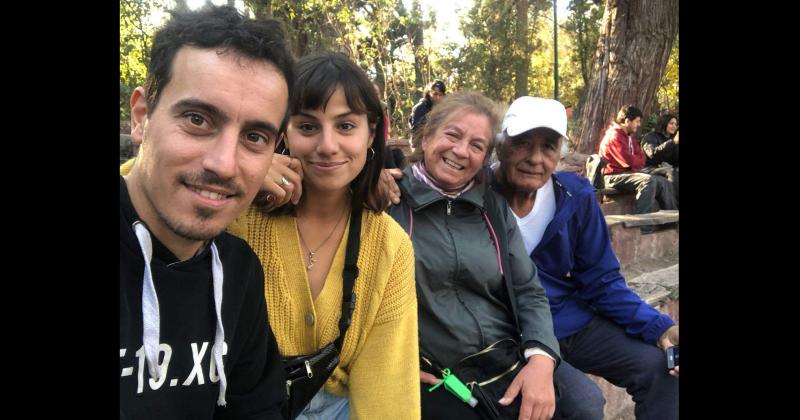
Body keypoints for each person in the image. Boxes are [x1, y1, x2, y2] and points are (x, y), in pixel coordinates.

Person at [119, 6, 293, 419]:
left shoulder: (238, 270)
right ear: (142, 116)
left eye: (254, 136)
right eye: (198, 119)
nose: (224, 164)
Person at [227, 52, 420, 419]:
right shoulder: (239, 212)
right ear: (284, 132)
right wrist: (240, 170)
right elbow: (146, 196)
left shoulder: (389, 247)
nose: (327, 145)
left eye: (346, 126)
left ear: (372, 133)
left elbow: (387, 388)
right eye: (308, 126)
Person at [490, 97, 679, 420]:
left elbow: (601, 280)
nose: (535, 158)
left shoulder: (574, 196)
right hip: (505, 332)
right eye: (522, 143)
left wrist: (659, 327)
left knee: (659, 371)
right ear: (501, 144)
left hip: (568, 322)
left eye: (548, 146)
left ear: (560, 153)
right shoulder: (474, 193)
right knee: (583, 404)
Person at [387, 91, 560, 420]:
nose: (461, 151)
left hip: (503, 355)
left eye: (477, 145)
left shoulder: (491, 208)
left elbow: (527, 289)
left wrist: (541, 357)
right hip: (436, 368)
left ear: (484, 159)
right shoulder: (389, 199)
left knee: (582, 403)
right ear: (425, 138)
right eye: (452, 135)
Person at [597, 105, 677, 233]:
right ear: (627, 120)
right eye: (637, 121)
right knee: (648, 180)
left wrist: (636, 160)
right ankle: (646, 226)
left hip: (627, 173)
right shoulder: (615, 136)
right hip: (612, 176)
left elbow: (641, 158)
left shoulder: (629, 136)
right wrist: (636, 161)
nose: (639, 125)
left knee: (663, 181)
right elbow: (628, 160)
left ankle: (672, 223)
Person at [641, 113, 679, 205]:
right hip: (649, 168)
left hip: (665, 168)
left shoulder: (672, 140)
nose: (674, 126)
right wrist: (673, 142)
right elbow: (652, 154)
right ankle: (675, 209)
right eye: (671, 123)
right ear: (664, 123)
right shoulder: (650, 136)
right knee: (671, 172)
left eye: (675, 124)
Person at [409, 79, 446, 147]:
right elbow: (416, 131)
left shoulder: (443, 109)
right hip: (420, 145)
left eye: (440, 95)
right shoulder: (419, 108)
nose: (438, 97)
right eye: (435, 94)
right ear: (429, 94)